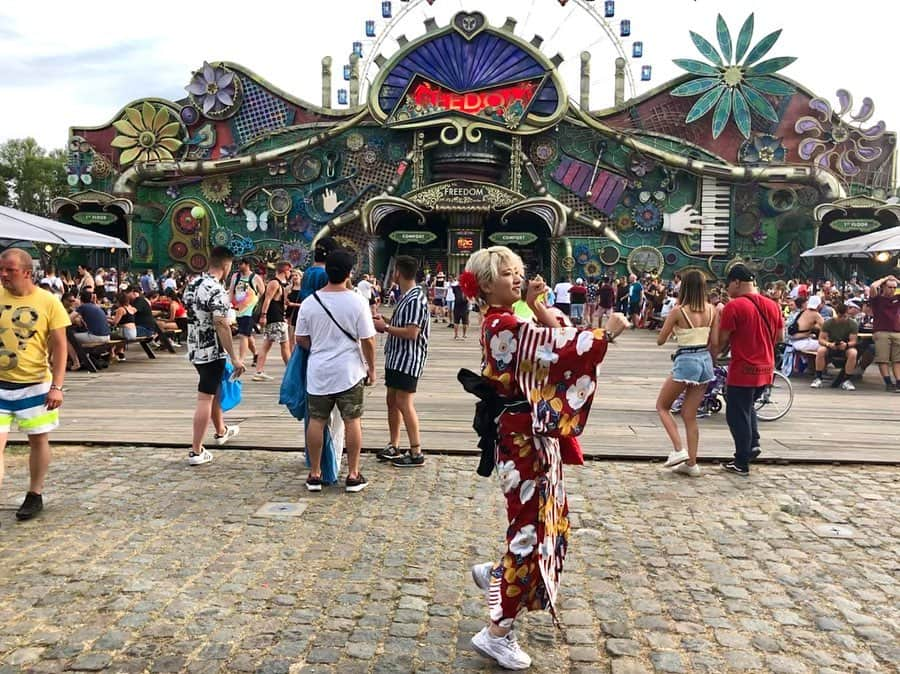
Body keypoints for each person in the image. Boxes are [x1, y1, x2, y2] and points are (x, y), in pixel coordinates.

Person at [461, 246, 628, 670]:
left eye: (518, 272)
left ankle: (498, 575)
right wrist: (604, 334)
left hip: (527, 436)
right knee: (531, 530)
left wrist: (537, 303)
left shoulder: (509, 320)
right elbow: (561, 348)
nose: (516, 278)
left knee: (537, 520)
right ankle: (497, 631)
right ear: (484, 283)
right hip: (523, 439)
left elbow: (551, 336)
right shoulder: (507, 326)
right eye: (506, 273)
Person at [295, 249, 376, 493]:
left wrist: (320, 347)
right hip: (349, 372)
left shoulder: (310, 302)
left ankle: (315, 473)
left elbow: (300, 338)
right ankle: (352, 474)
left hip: (319, 372)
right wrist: (371, 368)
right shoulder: (357, 301)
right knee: (353, 421)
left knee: (317, 421)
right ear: (350, 273)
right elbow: (368, 340)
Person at [0, 248, 70, 521]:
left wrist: (58, 386)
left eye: (10, 270)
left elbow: (61, 346)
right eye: (1, 269)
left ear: (27, 272)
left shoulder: (48, 302)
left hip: (35, 384)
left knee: (38, 439)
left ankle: (35, 492)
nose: (4, 275)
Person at [717, 264, 783, 476]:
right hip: (766, 369)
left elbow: (722, 341)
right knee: (748, 407)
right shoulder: (774, 305)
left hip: (743, 368)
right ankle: (753, 443)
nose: (727, 290)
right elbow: (780, 338)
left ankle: (741, 461)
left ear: (736, 282)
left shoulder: (733, 307)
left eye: (727, 285)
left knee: (736, 414)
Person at [654, 270, 719, 477]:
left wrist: (675, 330)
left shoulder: (678, 311)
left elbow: (660, 340)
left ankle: (678, 450)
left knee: (662, 406)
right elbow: (715, 342)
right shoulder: (712, 310)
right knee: (690, 415)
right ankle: (692, 463)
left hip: (686, 360)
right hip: (705, 361)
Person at [183, 246, 243, 465]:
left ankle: (221, 431)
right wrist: (234, 357)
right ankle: (196, 450)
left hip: (194, 347)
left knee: (214, 390)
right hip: (212, 350)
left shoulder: (192, 284)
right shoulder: (217, 290)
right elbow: (221, 323)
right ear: (226, 266)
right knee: (205, 396)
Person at [373, 256, 431, 467]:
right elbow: (405, 324)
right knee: (392, 400)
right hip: (396, 358)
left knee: (404, 402)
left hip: (408, 359)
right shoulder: (408, 296)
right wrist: (385, 321)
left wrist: (385, 328)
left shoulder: (415, 299)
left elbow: (412, 332)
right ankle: (394, 444)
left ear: (397, 272)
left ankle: (416, 451)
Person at [254, 261, 292, 381]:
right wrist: (263, 315)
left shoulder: (281, 284)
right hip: (274, 318)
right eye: (289, 271)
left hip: (280, 318)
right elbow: (267, 299)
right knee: (267, 345)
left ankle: (290, 371)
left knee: (285, 346)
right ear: (285, 271)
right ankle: (259, 371)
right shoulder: (274, 283)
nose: (290, 273)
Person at [811, 301, 858, 391]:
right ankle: (818, 377)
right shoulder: (828, 323)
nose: (843, 318)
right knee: (821, 351)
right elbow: (821, 339)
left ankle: (846, 379)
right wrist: (828, 344)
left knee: (853, 353)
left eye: (845, 316)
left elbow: (853, 341)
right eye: (840, 316)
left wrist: (846, 345)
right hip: (831, 345)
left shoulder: (852, 324)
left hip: (845, 346)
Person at [228, 258, 264, 368]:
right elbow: (231, 290)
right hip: (238, 310)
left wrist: (260, 309)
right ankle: (256, 354)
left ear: (247, 264)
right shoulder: (236, 276)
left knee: (243, 335)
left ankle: (241, 359)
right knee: (247, 335)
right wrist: (229, 304)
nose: (239, 266)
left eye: (241, 264)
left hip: (250, 310)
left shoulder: (255, 278)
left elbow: (263, 293)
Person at [867, 274, 900, 391]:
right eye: (889, 287)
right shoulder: (877, 299)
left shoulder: (897, 298)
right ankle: (888, 382)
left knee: (897, 360)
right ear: (884, 287)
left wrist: (896, 280)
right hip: (881, 331)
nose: (892, 290)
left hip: (896, 331)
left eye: (894, 287)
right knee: (883, 358)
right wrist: (884, 279)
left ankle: (898, 381)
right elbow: (872, 287)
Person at [450, 275, 469, 340]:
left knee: (456, 321)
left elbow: (452, 287)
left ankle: (456, 335)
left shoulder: (455, 288)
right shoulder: (466, 288)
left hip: (457, 305)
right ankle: (464, 335)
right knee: (465, 321)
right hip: (464, 306)